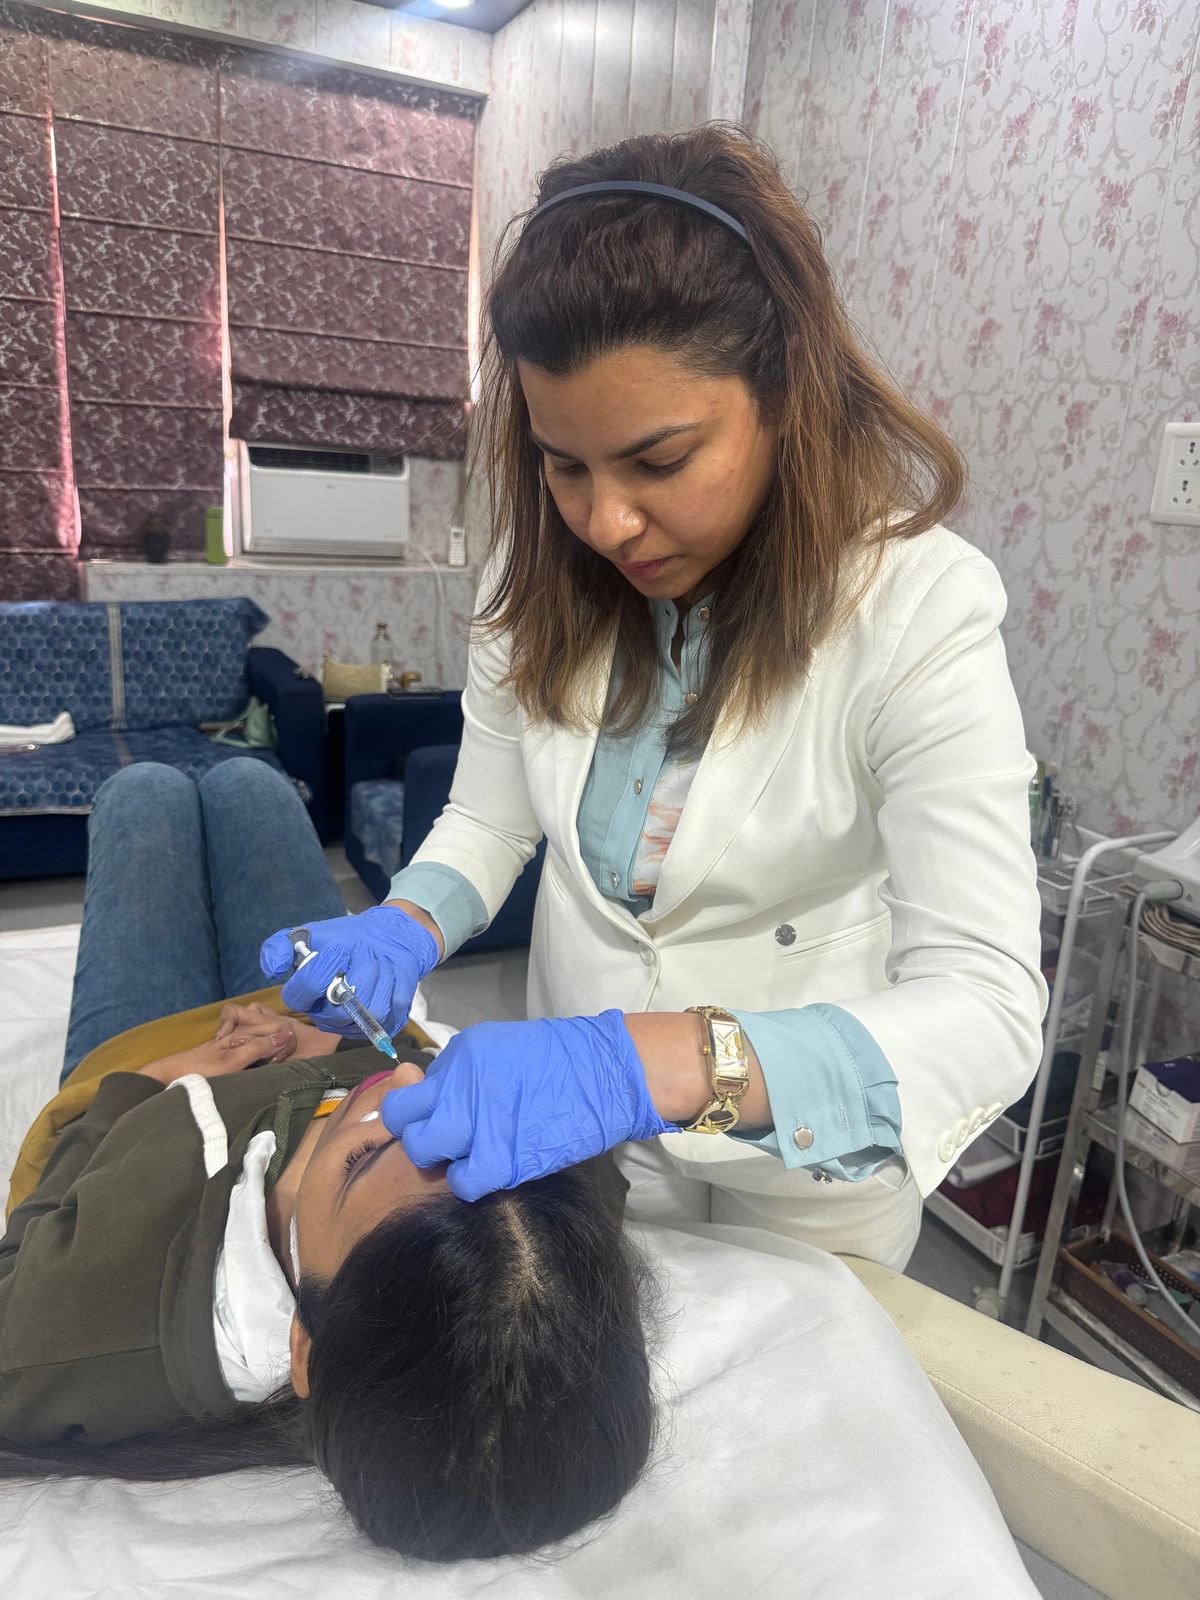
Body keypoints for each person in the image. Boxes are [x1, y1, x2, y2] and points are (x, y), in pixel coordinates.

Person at [267, 124, 1047, 1275]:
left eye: (660, 461)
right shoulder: (540, 576)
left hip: (802, 1171)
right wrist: (405, 923)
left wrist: (651, 1061)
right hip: (587, 1148)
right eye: (564, 464)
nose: (607, 522)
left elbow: (986, 1006)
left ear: (783, 392)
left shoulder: (918, 606)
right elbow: (489, 818)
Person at [0, 760, 655, 1560]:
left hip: (149, 1060)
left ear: (306, 1350)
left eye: (363, 1160)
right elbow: (417, 1065)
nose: (406, 1086)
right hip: (331, 1020)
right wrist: (334, 1046)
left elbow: (39, 1220)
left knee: (143, 792)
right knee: (253, 781)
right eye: (456, 1123)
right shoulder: (550, 1224)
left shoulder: (69, 1331)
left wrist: (172, 1072)